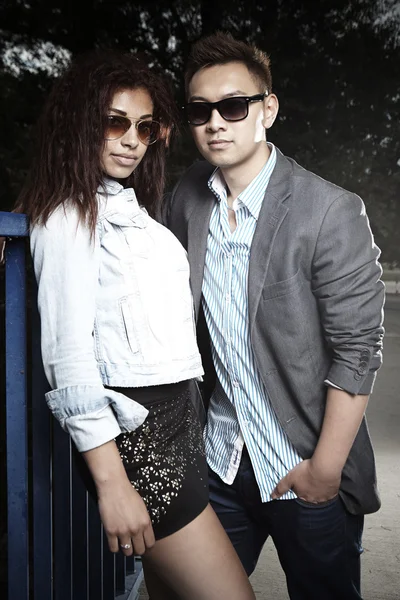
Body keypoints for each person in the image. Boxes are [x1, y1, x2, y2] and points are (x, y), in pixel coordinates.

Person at [15, 49, 256, 600]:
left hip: (181, 425)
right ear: (82, 124)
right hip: (140, 442)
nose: (131, 139)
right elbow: (68, 359)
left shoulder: (134, 212)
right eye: (115, 121)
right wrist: (114, 485)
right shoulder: (67, 217)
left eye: (145, 128)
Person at [166, 31, 385, 600]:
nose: (217, 122)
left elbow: (358, 349)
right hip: (219, 461)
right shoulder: (185, 198)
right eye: (200, 110)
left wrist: (324, 471)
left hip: (302, 464)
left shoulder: (330, 210)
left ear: (268, 109)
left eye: (234, 106)